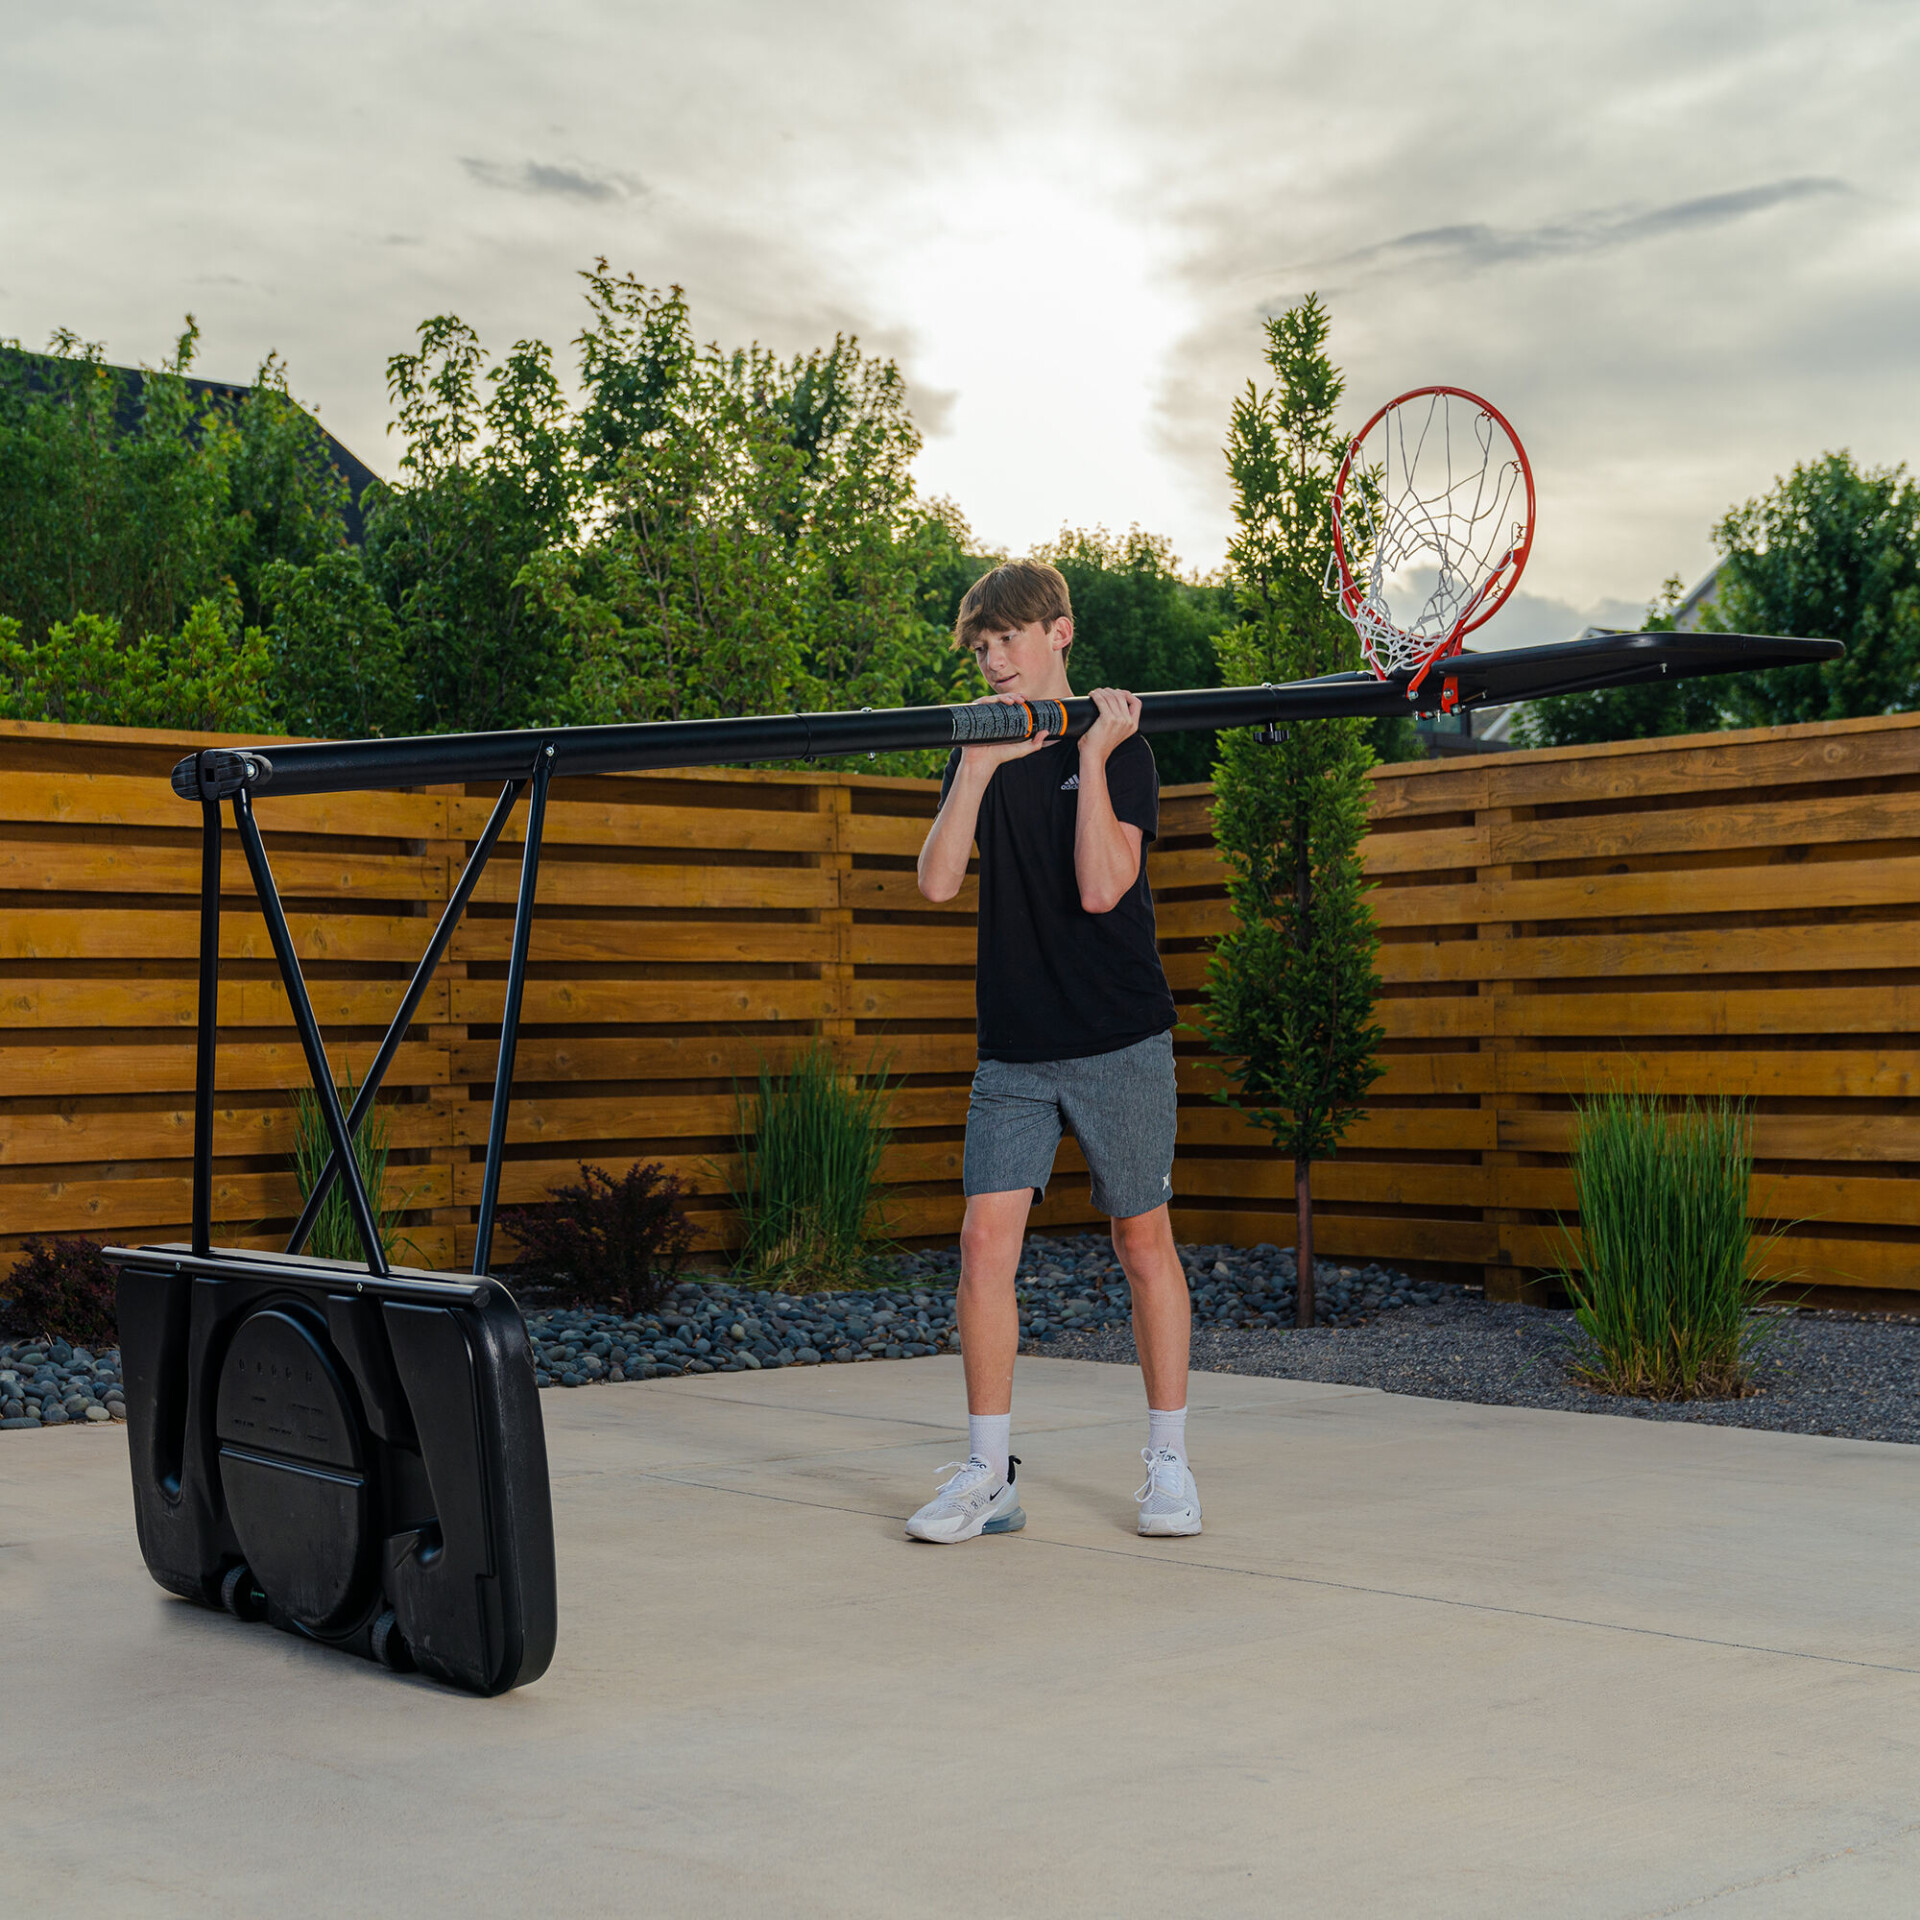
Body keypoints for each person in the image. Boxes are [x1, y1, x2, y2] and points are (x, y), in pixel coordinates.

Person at [905, 561, 1201, 1544]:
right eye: (982, 646)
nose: (994, 659)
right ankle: (989, 1476)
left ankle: (1169, 1463)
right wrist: (977, 767)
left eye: (1010, 639)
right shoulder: (979, 754)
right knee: (984, 1247)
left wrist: (1098, 753)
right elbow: (937, 882)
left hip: (1119, 1036)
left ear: (1059, 632)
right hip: (1016, 1048)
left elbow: (1102, 889)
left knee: (1141, 1242)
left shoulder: (1125, 747)